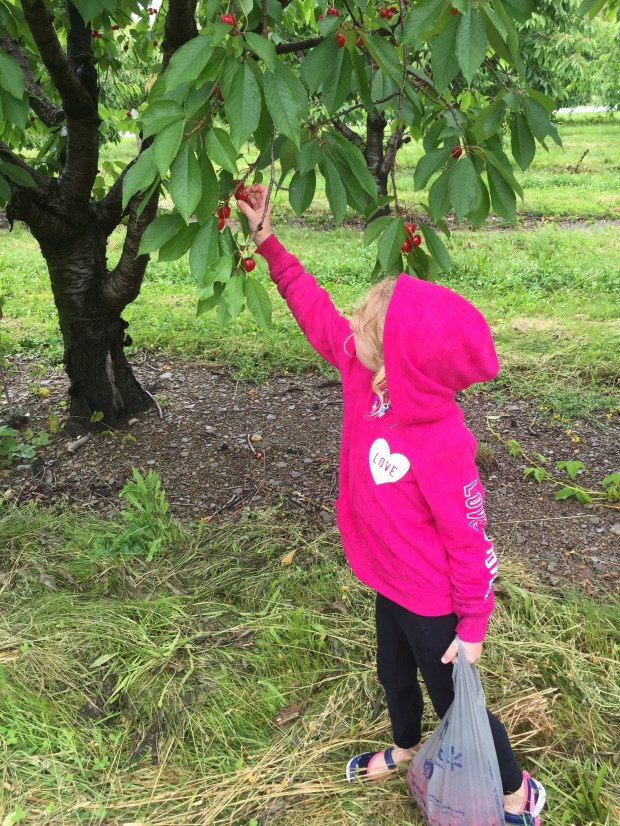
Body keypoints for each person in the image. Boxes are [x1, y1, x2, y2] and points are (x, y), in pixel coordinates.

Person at [236, 185, 546, 826]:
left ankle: (516, 792)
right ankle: (407, 747)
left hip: (434, 601)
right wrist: (268, 241)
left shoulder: (444, 442)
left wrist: (474, 626)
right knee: (392, 675)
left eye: (368, 327)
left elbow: (469, 538)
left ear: (401, 361)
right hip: (387, 579)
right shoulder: (362, 371)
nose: (352, 328)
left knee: (458, 704)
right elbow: (316, 312)